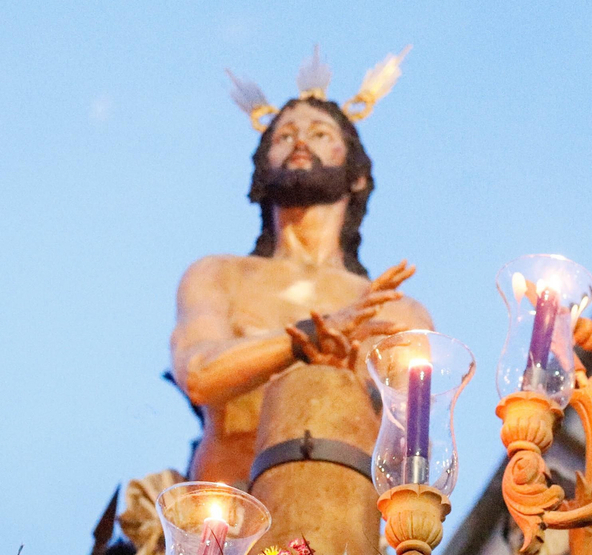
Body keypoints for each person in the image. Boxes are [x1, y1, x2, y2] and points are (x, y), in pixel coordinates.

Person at [170, 50, 432, 486]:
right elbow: (199, 375)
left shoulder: (396, 312)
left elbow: (413, 460)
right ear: (262, 168)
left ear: (358, 176)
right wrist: (310, 337)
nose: (300, 141)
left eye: (319, 132)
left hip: (342, 534)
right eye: (284, 135)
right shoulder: (219, 276)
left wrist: (349, 384)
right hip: (230, 531)